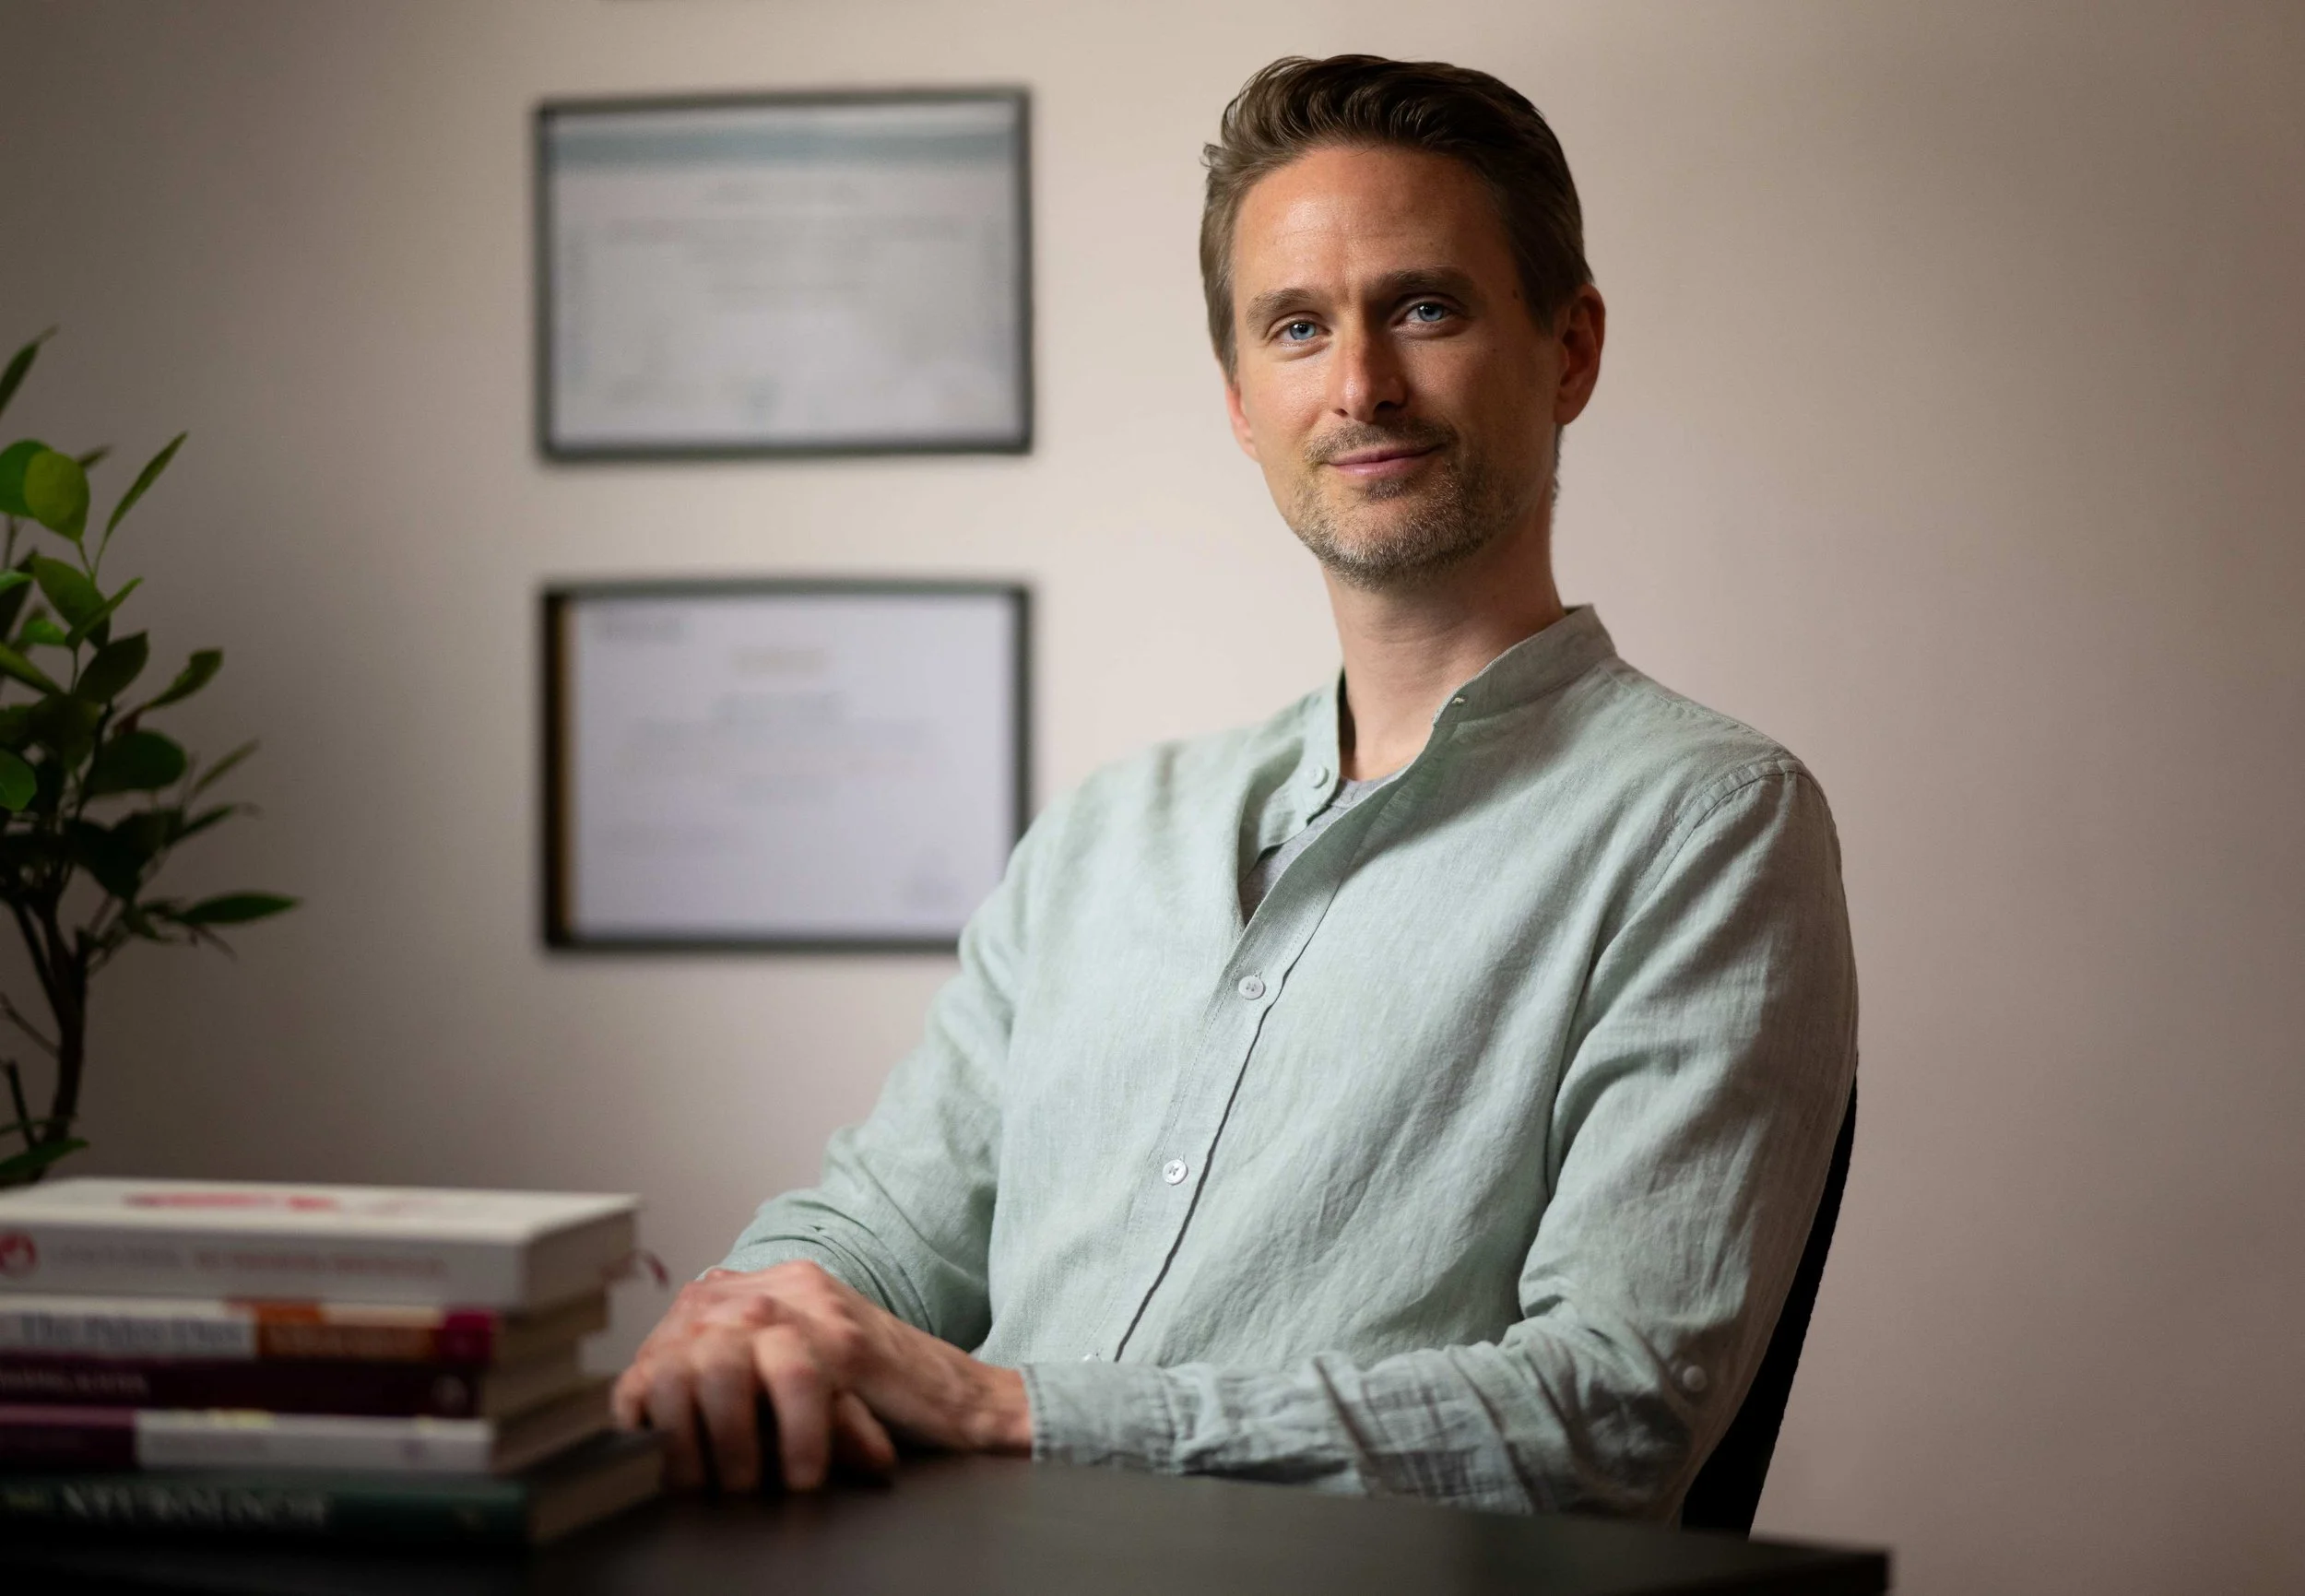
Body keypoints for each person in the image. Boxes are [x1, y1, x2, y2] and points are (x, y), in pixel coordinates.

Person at [613, 53, 1858, 1520]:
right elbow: (886, 1222)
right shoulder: (1103, 835)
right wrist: (753, 1316)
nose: (1358, 386)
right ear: (1239, 398)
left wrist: (998, 1402)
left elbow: (1612, 1407)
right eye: (1296, 326)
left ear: (1570, 348)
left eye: (1426, 307)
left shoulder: (1708, 826)